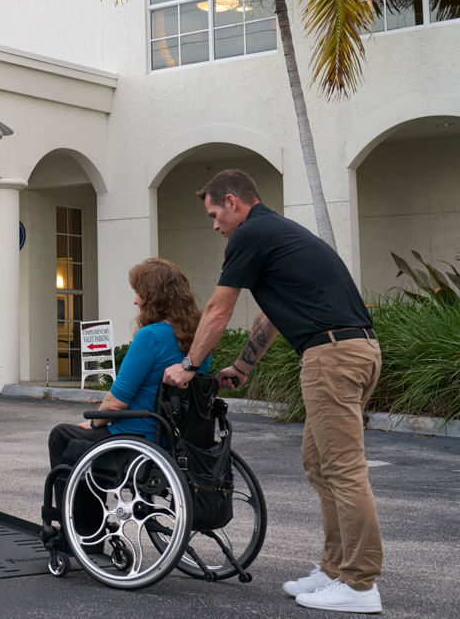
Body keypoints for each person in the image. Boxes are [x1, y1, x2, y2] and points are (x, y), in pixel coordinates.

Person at [162, 168, 382, 614]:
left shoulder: (250, 234)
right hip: (351, 348)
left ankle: (360, 585)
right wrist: (243, 364)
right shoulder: (276, 233)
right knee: (319, 464)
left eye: (213, 214)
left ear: (232, 202)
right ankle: (336, 569)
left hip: (333, 355)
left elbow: (219, 307)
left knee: (342, 469)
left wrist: (188, 365)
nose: (214, 225)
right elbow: (275, 313)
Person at [47, 257, 208, 470]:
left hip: (140, 438)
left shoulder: (150, 336)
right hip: (182, 440)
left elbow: (116, 402)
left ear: (153, 298)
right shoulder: (199, 342)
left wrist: (94, 422)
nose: (135, 301)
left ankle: (74, 505)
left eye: (138, 293)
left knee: (62, 435)